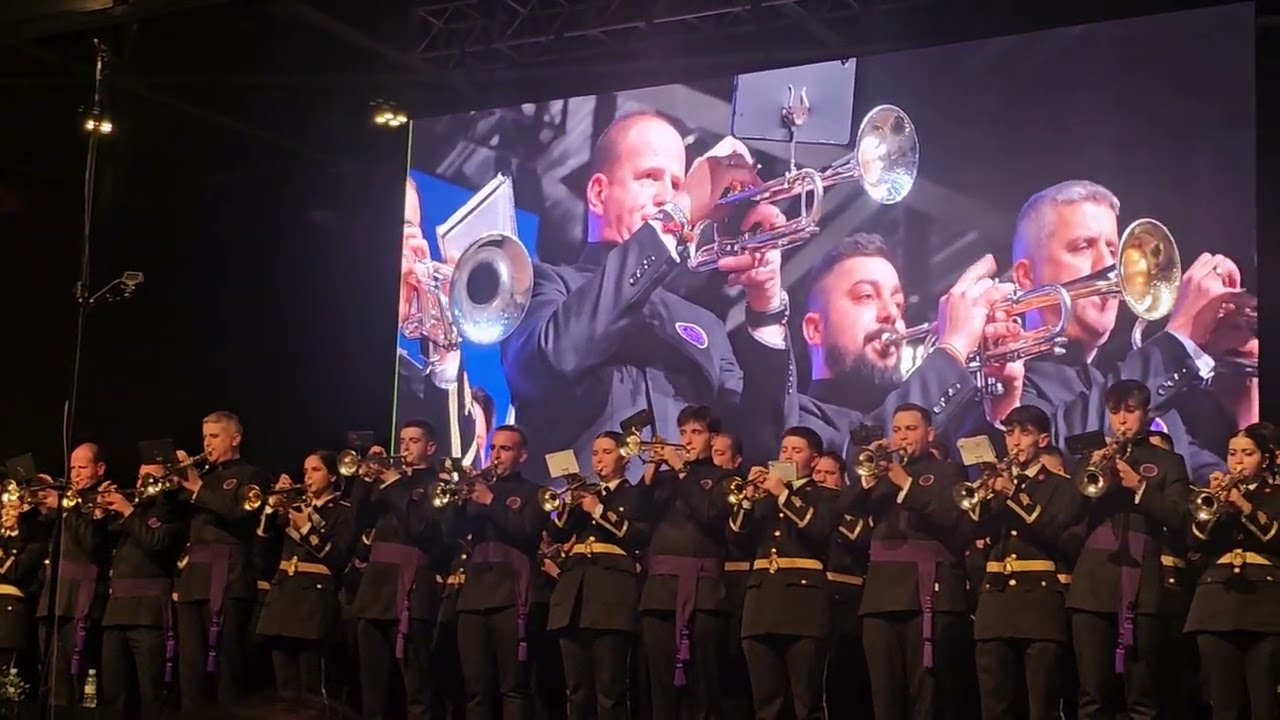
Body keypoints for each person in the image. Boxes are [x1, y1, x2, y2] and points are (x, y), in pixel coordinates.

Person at [500, 111, 785, 480]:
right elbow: (552, 359)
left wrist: (766, 305)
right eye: (650, 177)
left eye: (678, 183)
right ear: (599, 193)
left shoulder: (706, 327)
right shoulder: (543, 285)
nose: (668, 195)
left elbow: (761, 449)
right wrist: (680, 210)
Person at [1003, 179, 1248, 484]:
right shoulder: (1003, 387)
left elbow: (1217, 485)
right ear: (1027, 276)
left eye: (1113, 249)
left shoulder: (1116, 382)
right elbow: (1062, 447)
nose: (1112, 266)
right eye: (1083, 247)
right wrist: (1180, 339)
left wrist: (1244, 387)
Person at [729, 231, 1027, 463]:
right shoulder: (797, 422)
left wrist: (1002, 409)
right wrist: (952, 350)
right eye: (866, 296)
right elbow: (866, 464)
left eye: (898, 303)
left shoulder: (946, 414)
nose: (891, 313)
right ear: (815, 329)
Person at [1063, 380, 1190, 719]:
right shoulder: (1094, 458)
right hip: (1092, 586)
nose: (1121, 420)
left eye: (1130, 412)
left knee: (1142, 695)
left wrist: (1139, 486)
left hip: (1144, 583)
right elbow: (1067, 514)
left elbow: (1180, 517)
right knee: (1092, 693)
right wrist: (1090, 467)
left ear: (1146, 414)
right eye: (1115, 412)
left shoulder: (1168, 461)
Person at [848, 403, 971, 720]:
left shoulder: (948, 471)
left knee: (926, 695)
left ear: (930, 433)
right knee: (884, 694)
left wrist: (906, 483)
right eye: (898, 429)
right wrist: (867, 470)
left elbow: (949, 516)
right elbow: (843, 509)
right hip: (879, 596)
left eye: (911, 429)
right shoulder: (881, 473)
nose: (902, 436)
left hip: (925, 592)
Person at [965, 405, 1082, 720]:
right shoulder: (996, 485)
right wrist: (985, 496)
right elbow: (973, 530)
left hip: (1039, 606)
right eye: (1010, 433)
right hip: (995, 604)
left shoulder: (1061, 486)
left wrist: (1013, 493)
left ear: (1042, 440)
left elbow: (1052, 529)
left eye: (1024, 433)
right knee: (995, 705)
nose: (1014, 441)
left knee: (1042, 705)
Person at [729, 426, 839, 719]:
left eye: (797, 451)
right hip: (761, 604)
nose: (787, 456)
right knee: (766, 702)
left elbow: (819, 529)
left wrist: (783, 495)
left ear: (814, 460)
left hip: (803, 607)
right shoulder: (764, 498)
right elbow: (736, 540)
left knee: (808, 700)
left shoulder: (824, 495)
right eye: (784, 450)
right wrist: (748, 499)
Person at [637, 404, 736, 719]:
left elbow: (708, 513)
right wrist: (651, 471)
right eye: (683, 432)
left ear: (713, 437)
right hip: (659, 593)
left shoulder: (726, 478)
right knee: (661, 688)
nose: (688, 440)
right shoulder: (664, 480)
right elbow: (637, 516)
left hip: (704, 594)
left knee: (703, 687)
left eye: (696, 432)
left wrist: (682, 470)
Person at [347, 420, 448, 720]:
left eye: (413, 441)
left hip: (413, 589)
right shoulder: (386, 484)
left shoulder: (436, 484)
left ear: (430, 447)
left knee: (416, 685)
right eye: (402, 440)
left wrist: (393, 483)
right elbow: (354, 522)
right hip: (375, 589)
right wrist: (364, 481)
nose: (404, 447)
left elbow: (421, 527)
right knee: (372, 687)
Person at [172, 411, 272, 713]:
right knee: (190, 668)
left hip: (229, 578)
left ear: (235, 438)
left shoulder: (252, 475)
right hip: (193, 581)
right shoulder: (201, 478)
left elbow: (239, 513)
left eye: (214, 436)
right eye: (204, 437)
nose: (206, 443)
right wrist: (172, 478)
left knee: (228, 665)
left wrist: (197, 487)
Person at [546, 431, 648, 720]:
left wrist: (599, 510)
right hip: (574, 598)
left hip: (611, 598)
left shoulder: (635, 493)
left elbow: (638, 536)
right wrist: (568, 505)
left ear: (623, 457)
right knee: (576, 688)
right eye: (594, 453)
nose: (599, 459)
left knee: (610, 688)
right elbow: (557, 534)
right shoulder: (585, 494)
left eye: (606, 452)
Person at [453, 425, 548, 719]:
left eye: (505, 449)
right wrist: (456, 503)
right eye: (493, 448)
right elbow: (450, 534)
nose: (495, 455)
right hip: (473, 597)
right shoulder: (477, 490)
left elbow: (528, 532)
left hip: (511, 596)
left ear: (522, 455)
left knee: (514, 687)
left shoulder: (534, 492)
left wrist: (491, 501)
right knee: (476, 689)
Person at [1185, 423, 1280, 719]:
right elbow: (1192, 543)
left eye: (1247, 453)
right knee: (1223, 704)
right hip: (1216, 605)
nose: (1237, 461)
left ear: (1264, 458)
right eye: (1232, 453)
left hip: (1265, 605)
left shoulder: (1274, 494)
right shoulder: (1214, 495)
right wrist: (1214, 506)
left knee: (1264, 701)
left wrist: (1245, 506)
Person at [255, 451, 353, 709]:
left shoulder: (343, 512)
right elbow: (262, 551)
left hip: (314, 602)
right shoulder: (294, 505)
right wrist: (270, 507)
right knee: (285, 690)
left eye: (316, 469)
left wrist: (308, 529)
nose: (307, 476)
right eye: (306, 470)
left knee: (313, 688)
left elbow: (338, 559)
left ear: (332, 475)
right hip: (283, 597)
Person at [398, 176, 480, 465]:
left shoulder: (410, 378)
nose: (403, 243)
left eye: (409, 227)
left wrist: (446, 351)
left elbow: (459, 469)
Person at [96, 461, 184, 718]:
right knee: (114, 692)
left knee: (151, 693)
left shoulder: (173, 512)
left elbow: (159, 544)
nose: (140, 482)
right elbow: (96, 551)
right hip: (115, 613)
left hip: (149, 615)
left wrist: (127, 511)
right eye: (139, 476)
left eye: (150, 477)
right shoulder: (129, 515)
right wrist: (100, 516)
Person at [35, 442, 112, 709]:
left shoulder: (104, 500)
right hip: (54, 599)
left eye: (82, 467)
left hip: (83, 601)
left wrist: (65, 507)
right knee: (52, 678)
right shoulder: (68, 499)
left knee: (78, 681)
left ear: (100, 469)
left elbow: (91, 544)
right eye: (72, 468)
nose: (75, 473)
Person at [815, 447, 872, 719]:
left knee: (845, 677)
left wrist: (834, 513)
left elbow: (864, 541)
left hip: (848, 598)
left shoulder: (852, 509)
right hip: (814, 597)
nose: (822, 478)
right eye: (817, 473)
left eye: (829, 473)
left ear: (842, 479)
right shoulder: (802, 506)